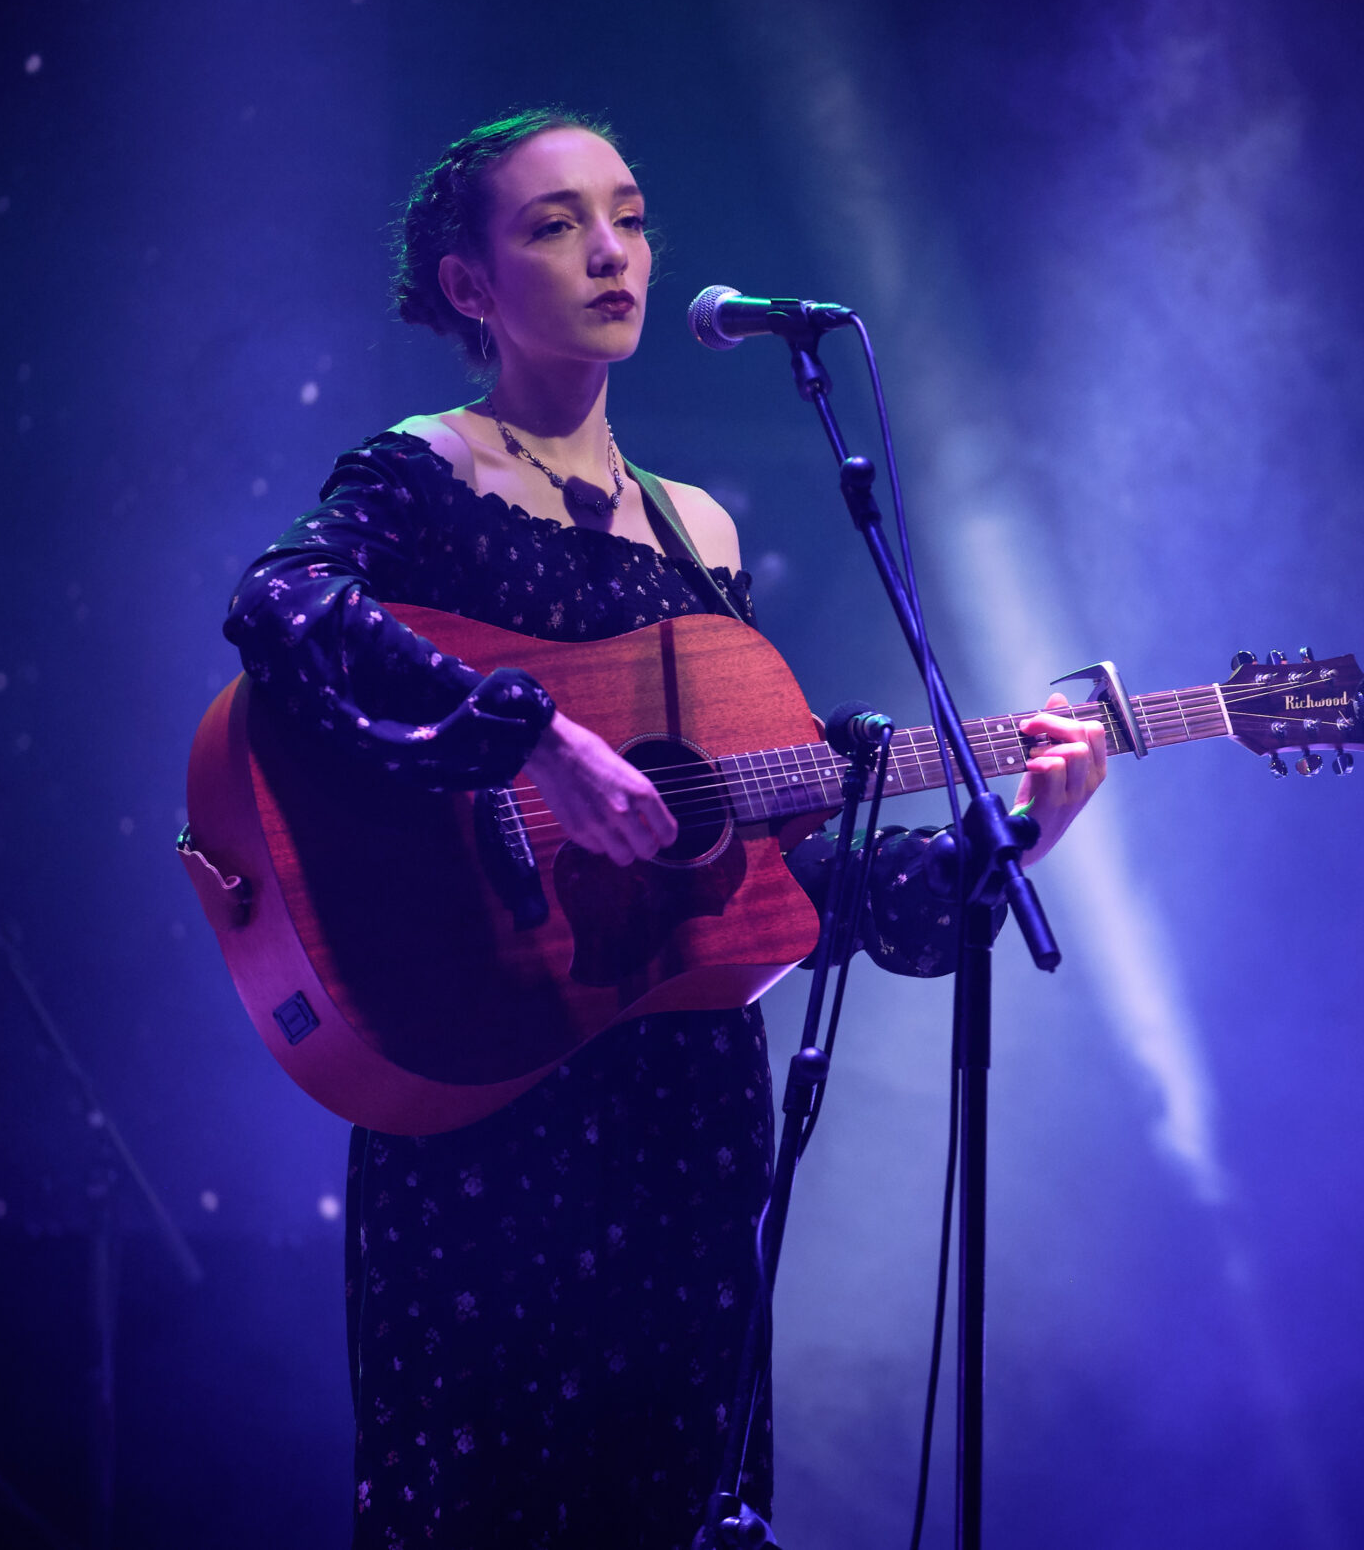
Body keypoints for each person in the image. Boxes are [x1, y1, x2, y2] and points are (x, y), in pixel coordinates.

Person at [222, 106, 1108, 1550]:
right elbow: (282, 609)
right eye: (557, 224)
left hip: (685, 1117)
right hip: (485, 1081)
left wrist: (1005, 836)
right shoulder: (421, 472)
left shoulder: (701, 531)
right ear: (468, 284)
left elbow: (787, 879)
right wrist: (532, 736)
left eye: (629, 217)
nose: (612, 252)